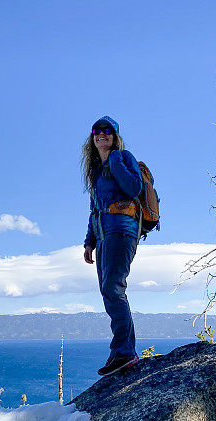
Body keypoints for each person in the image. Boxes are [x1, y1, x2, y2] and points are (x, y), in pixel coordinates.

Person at [82, 116, 143, 376]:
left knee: (113, 288)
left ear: (114, 136)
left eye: (108, 131)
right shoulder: (96, 172)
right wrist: (89, 243)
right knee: (107, 293)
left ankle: (126, 352)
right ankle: (119, 352)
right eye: (97, 131)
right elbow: (94, 210)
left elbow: (133, 187)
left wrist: (115, 160)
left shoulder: (122, 157)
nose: (101, 134)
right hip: (103, 235)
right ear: (92, 138)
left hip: (122, 230)